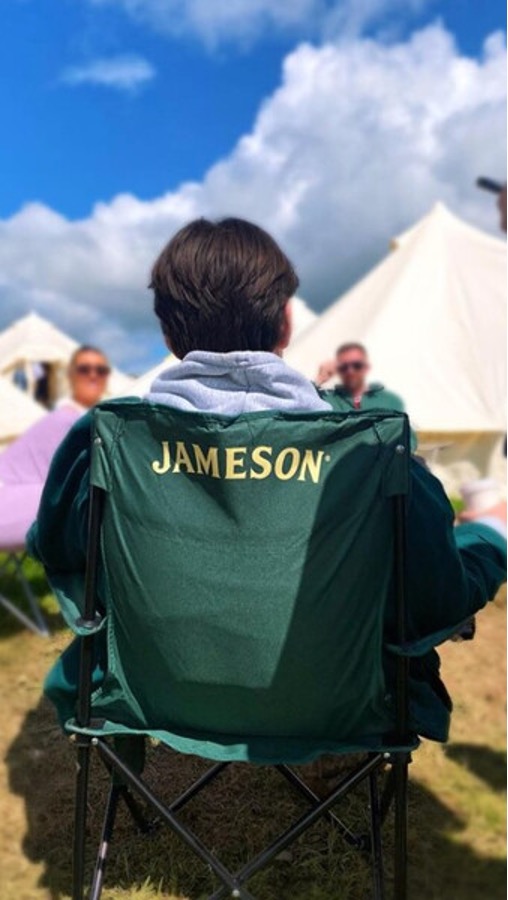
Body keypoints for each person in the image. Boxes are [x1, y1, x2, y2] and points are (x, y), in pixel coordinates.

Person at [29, 218, 506, 743]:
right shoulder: (368, 448)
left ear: (166, 333)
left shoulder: (108, 441)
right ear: (285, 323)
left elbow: (60, 549)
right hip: (344, 702)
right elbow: (435, 594)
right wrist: (490, 538)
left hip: (151, 694)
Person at [0, 346, 110, 552]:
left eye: (101, 370)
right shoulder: (65, 419)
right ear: (71, 375)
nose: (93, 375)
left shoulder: (95, 418)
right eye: (84, 369)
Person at [322, 342, 405, 413]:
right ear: (338, 370)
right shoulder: (327, 400)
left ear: (367, 367)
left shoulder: (390, 401)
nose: (350, 371)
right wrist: (320, 379)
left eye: (357, 366)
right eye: (344, 367)